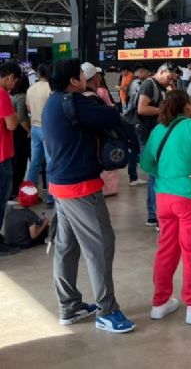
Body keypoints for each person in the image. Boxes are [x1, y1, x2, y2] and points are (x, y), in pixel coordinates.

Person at [42, 58, 135, 333]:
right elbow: (111, 116)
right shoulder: (75, 102)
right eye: (82, 75)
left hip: (60, 185)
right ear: (73, 81)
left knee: (66, 246)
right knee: (101, 245)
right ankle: (107, 311)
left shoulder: (53, 102)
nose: (86, 79)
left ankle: (69, 306)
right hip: (80, 187)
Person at [140, 90, 191, 325]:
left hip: (164, 197)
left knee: (166, 248)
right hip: (190, 197)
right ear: (186, 106)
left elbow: (145, 163)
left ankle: (160, 303)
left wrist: (166, 176)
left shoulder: (158, 130)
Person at [137, 62, 180, 225]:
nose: (170, 80)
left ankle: (154, 215)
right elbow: (142, 108)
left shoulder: (162, 86)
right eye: (169, 77)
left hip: (158, 136)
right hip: (149, 137)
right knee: (155, 176)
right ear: (161, 72)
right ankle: (155, 215)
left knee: (157, 176)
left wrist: (172, 88)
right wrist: (164, 111)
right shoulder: (149, 85)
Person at [0, 61, 21, 256]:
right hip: (2, 156)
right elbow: (12, 124)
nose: (14, 85)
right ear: (10, 77)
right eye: (15, 81)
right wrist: (14, 114)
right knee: (1, 199)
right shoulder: (2, 94)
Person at [25, 63, 52, 206]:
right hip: (47, 128)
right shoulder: (51, 89)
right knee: (50, 162)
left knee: (35, 163)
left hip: (34, 127)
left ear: (39, 74)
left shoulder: (31, 89)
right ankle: (51, 198)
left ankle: (30, 195)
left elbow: (28, 108)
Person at [4, 180, 49, 248]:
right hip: (23, 244)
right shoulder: (30, 214)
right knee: (43, 225)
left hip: (9, 242)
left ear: (18, 197)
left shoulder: (9, 209)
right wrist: (44, 224)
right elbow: (33, 236)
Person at [10, 73, 30, 198]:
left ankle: (13, 188)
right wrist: (28, 130)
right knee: (21, 161)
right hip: (20, 132)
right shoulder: (22, 97)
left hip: (13, 132)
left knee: (15, 160)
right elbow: (22, 118)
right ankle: (16, 188)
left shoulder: (12, 96)